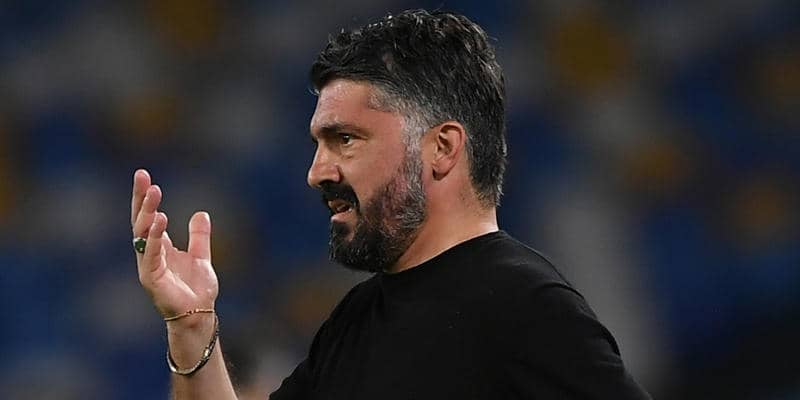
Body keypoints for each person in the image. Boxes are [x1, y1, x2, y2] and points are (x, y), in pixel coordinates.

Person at [131, 9, 651, 399]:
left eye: (345, 139)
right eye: (318, 143)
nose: (317, 172)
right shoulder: (357, 319)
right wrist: (192, 325)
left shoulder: (524, 307)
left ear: (442, 148)